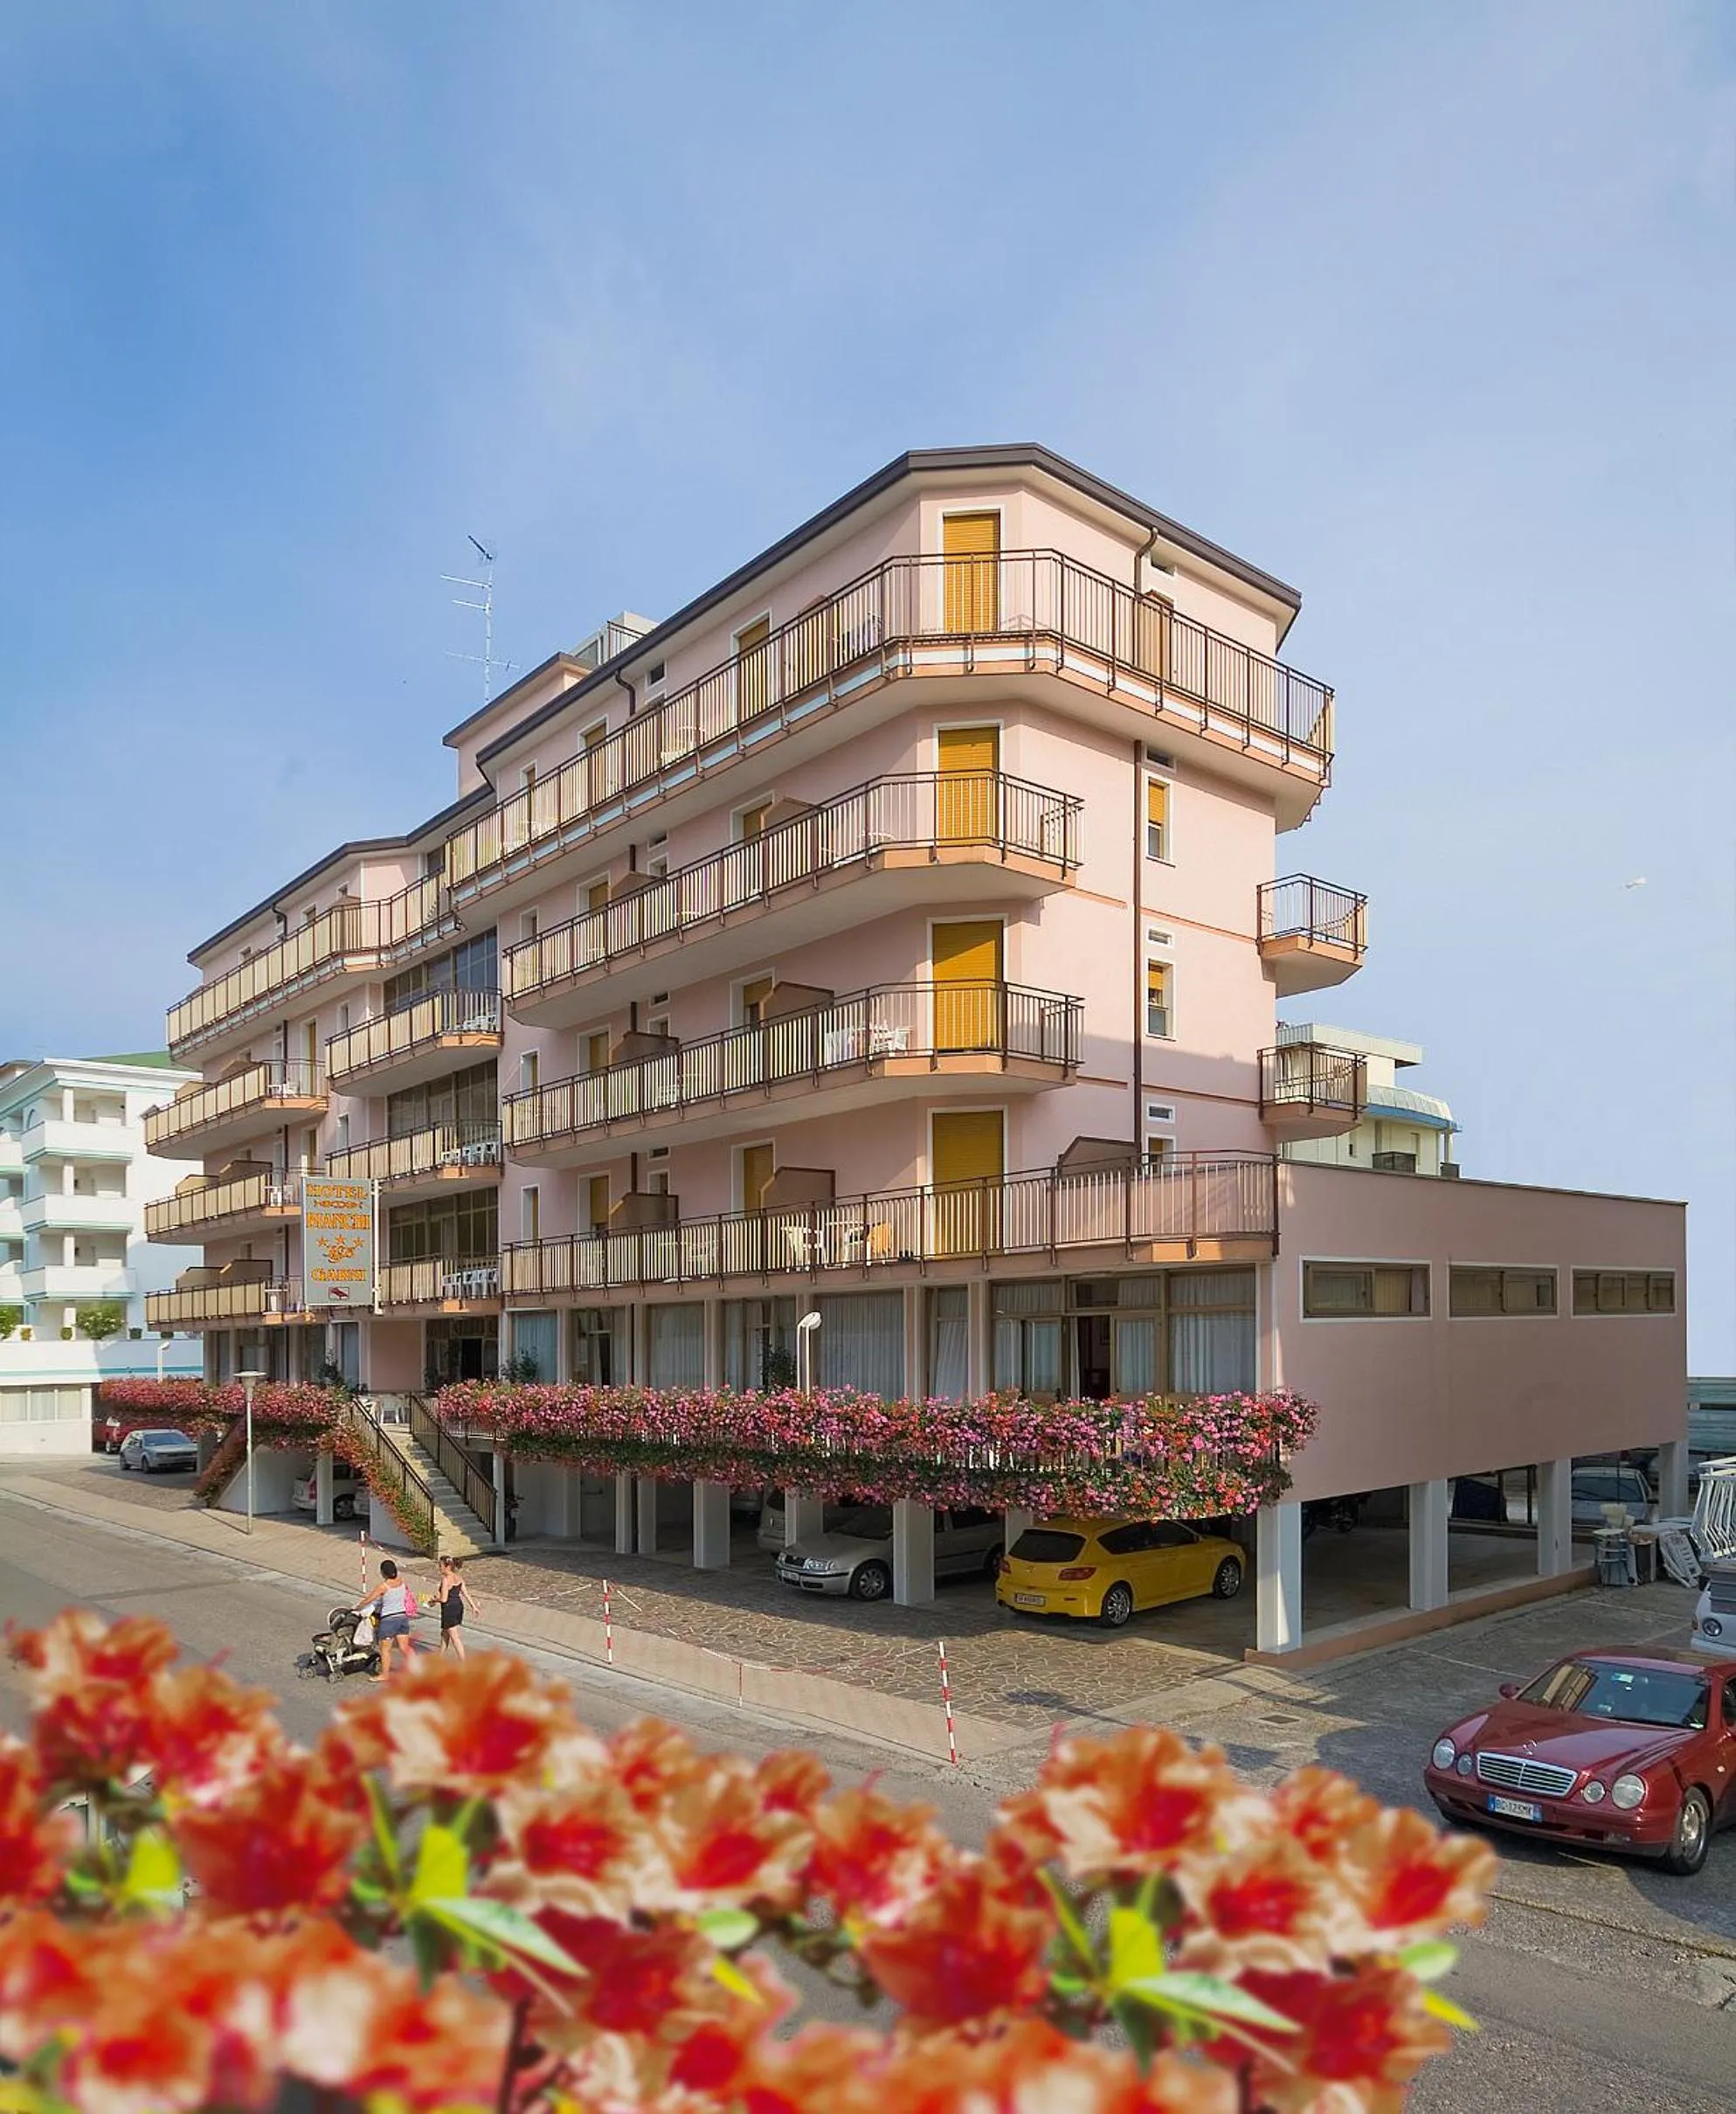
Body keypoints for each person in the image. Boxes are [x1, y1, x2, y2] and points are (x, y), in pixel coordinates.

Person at [355, 1558, 413, 1682]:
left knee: (385, 1650)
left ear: (383, 1573)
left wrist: (358, 1607)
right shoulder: (401, 1581)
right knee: (404, 1647)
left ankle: (385, 1675)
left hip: (389, 1621)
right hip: (402, 1618)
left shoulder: (383, 1586)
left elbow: (369, 1599)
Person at [435, 1554, 480, 1660]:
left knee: (454, 1636)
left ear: (447, 1566)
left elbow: (444, 1599)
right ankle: (439, 1658)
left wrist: (434, 1600)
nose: (439, 1568)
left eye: (440, 1566)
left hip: (449, 1608)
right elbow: (466, 1593)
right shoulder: (458, 1577)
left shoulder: (445, 1580)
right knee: (445, 1633)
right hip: (458, 1606)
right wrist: (474, 1607)